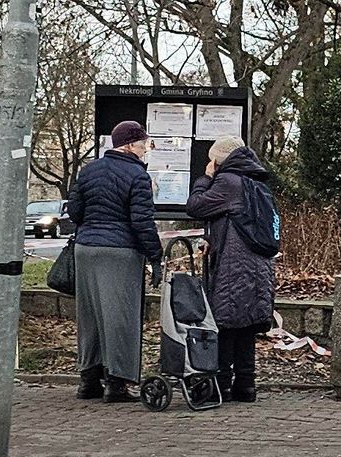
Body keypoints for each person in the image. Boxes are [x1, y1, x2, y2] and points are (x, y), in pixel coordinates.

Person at [65, 120, 163, 403]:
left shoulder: (89, 170)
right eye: (143, 144)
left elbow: (75, 211)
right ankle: (117, 384)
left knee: (90, 316)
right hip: (120, 251)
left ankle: (88, 381)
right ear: (130, 145)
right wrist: (155, 256)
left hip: (85, 249)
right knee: (121, 316)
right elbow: (142, 222)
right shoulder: (137, 176)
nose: (146, 149)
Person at [185, 136, 276, 403]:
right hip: (258, 263)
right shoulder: (255, 181)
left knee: (225, 323)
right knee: (246, 324)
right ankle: (246, 385)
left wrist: (205, 178)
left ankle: (220, 384)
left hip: (234, 264)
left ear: (219, 159)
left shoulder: (228, 182)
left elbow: (196, 206)